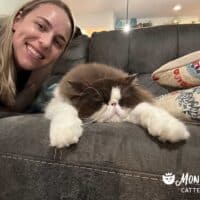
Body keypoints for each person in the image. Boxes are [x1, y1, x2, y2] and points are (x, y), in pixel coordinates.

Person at [0, 0, 75, 113]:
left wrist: (32, 87)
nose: (46, 43)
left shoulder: (40, 75)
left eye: (57, 42)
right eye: (41, 26)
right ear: (17, 20)